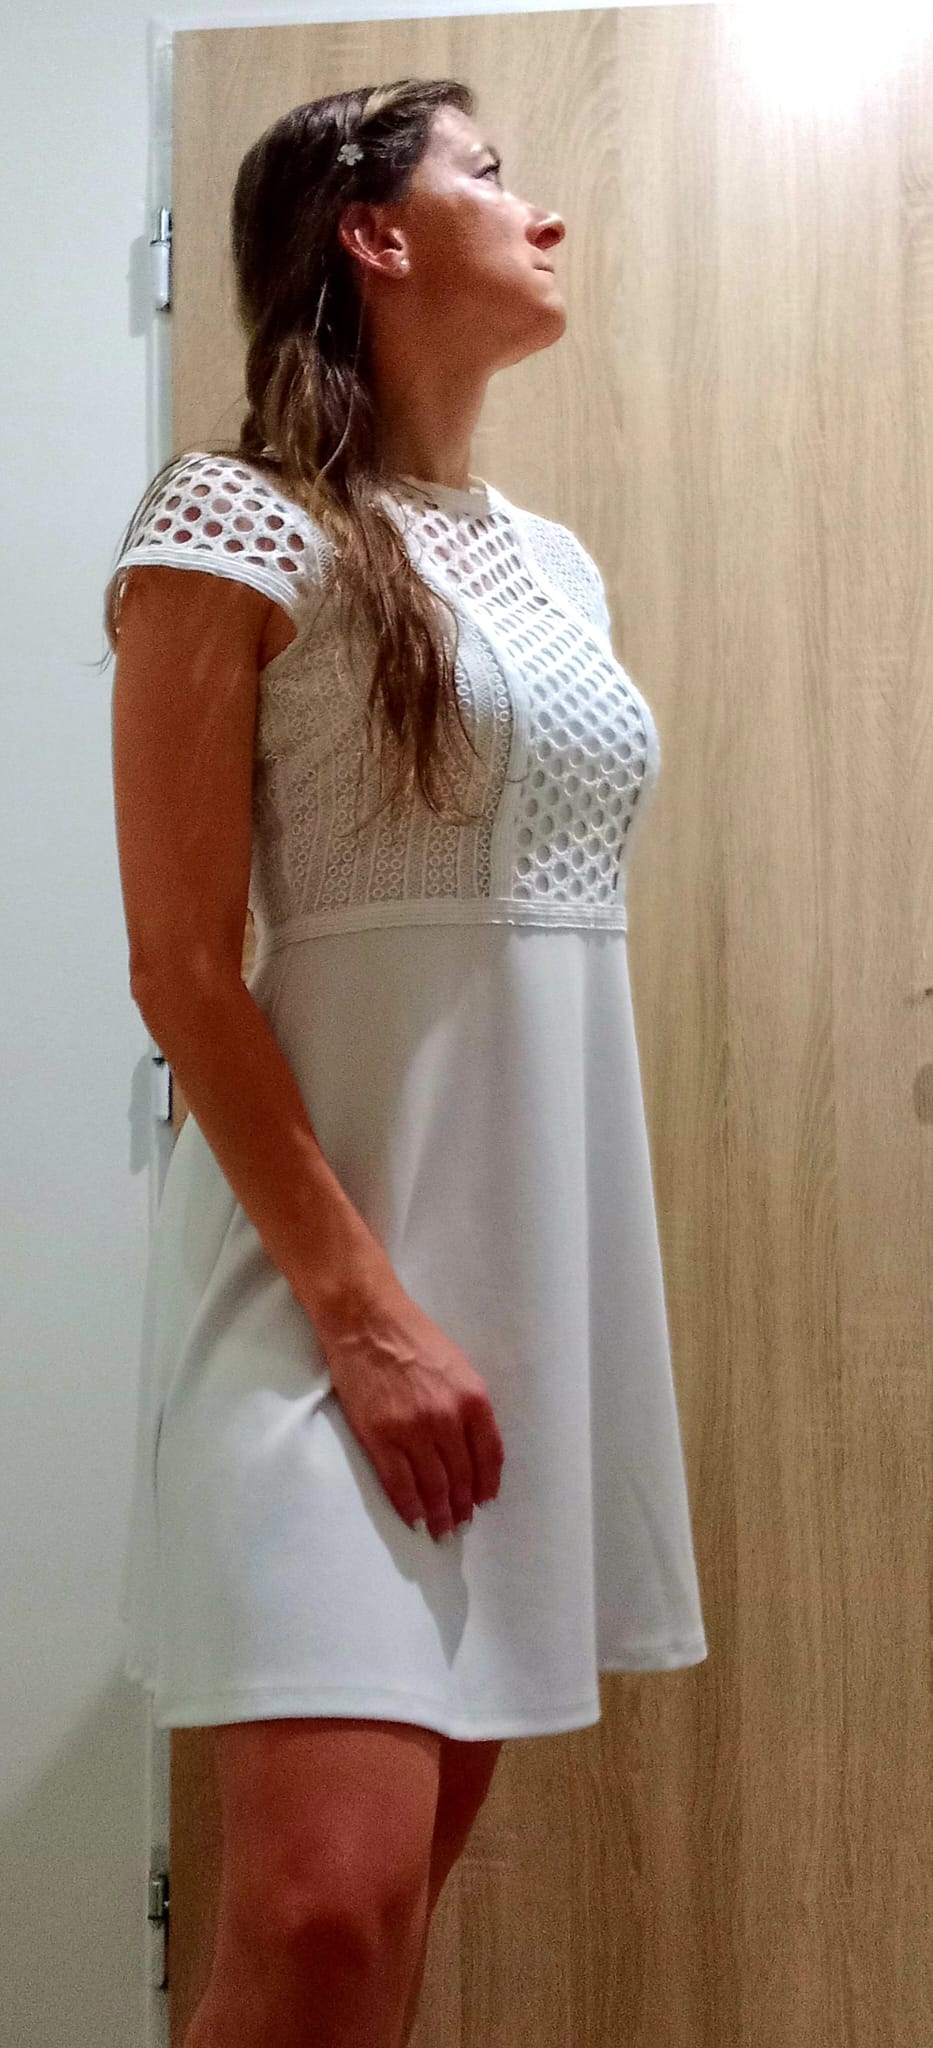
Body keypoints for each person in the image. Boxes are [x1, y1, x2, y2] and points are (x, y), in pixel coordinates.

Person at [105, 78, 708, 2048]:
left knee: (374, 1938)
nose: (542, 217)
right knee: (319, 1916)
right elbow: (181, 966)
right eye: (490, 176)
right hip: (320, 1305)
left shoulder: (559, 568)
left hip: (520, 1310)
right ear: (371, 234)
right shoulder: (232, 521)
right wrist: (365, 1319)